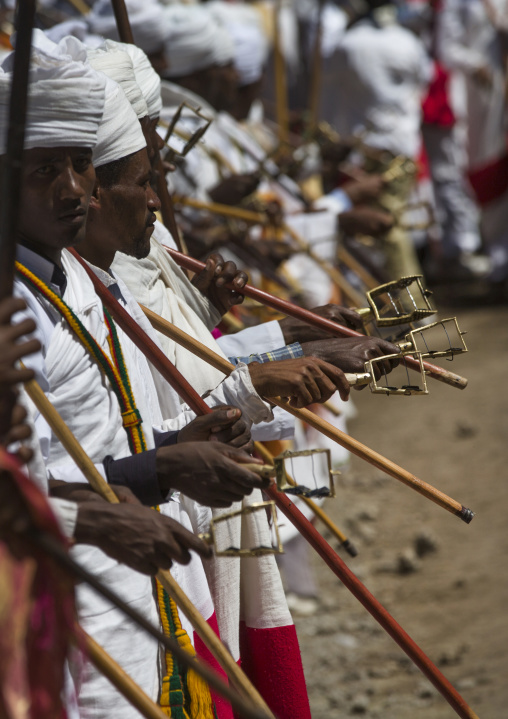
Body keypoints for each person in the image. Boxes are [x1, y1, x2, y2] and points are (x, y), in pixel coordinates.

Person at [5, 36, 269, 719]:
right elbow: (20, 490)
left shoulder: (77, 277)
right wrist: (128, 493)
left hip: (136, 598)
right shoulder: (14, 307)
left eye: (79, 164)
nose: (72, 189)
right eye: (42, 171)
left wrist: (172, 451)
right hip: (70, 622)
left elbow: (84, 452)